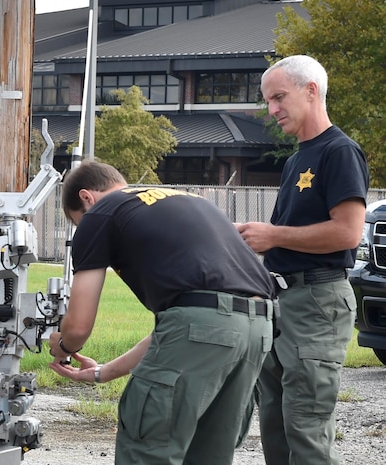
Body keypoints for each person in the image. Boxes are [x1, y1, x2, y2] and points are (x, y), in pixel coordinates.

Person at [48, 161, 277, 465]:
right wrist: (103, 372)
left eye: (79, 221)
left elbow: (78, 327)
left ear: (87, 198)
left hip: (204, 327)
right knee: (207, 454)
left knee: (148, 448)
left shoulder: (100, 214)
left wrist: (62, 346)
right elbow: (186, 324)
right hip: (259, 327)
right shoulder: (190, 201)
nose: (83, 226)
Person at [236, 55, 369, 465]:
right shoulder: (296, 159)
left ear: (311, 90)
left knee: (306, 430)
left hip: (318, 303)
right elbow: (283, 239)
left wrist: (272, 235)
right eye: (268, 101)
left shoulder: (340, 151)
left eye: (279, 97)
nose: (272, 110)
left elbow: (347, 232)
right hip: (280, 304)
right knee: (275, 426)